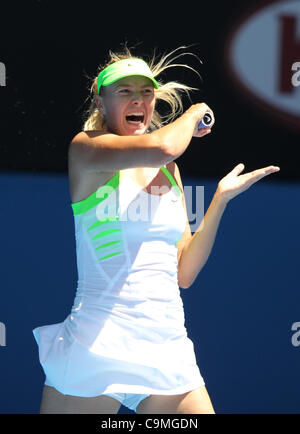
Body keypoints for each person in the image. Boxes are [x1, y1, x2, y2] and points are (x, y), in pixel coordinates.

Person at [32, 46, 280, 414]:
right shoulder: (86, 149)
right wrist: (195, 112)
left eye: (146, 92)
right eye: (124, 91)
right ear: (101, 102)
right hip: (95, 348)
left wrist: (219, 201)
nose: (138, 99)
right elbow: (165, 144)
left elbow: (184, 272)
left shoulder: (168, 171)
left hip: (167, 347)